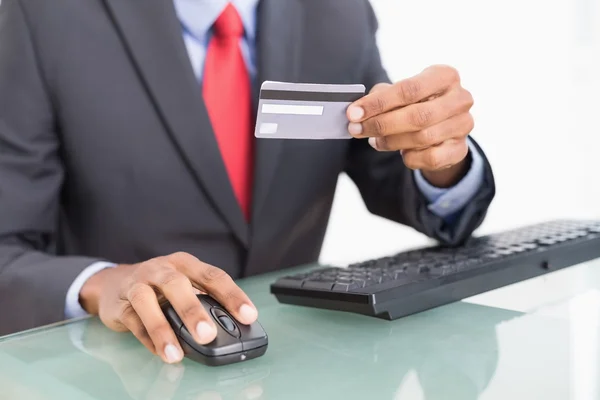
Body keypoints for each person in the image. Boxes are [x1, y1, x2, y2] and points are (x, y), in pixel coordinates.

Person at [0, 0, 495, 364]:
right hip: (127, 367)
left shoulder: (338, 12)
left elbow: (391, 170)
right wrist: (103, 283)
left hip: (301, 364)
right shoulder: (41, 15)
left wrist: (440, 158)